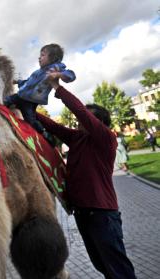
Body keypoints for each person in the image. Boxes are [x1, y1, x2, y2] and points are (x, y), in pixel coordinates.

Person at [35, 70, 136, 278]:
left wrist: (57, 88)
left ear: (98, 122)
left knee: (118, 269)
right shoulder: (78, 138)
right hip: (82, 214)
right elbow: (54, 126)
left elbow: (79, 110)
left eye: (87, 118)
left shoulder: (105, 139)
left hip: (102, 216)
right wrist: (25, 110)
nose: (78, 121)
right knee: (102, 265)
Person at [4, 44, 76, 144]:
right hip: (20, 96)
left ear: (53, 58)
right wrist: (17, 81)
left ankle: (45, 134)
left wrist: (58, 74)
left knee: (31, 121)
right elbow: (28, 82)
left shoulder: (56, 68)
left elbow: (71, 75)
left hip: (30, 102)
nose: (39, 57)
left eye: (42, 55)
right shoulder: (37, 72)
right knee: (6, 101)